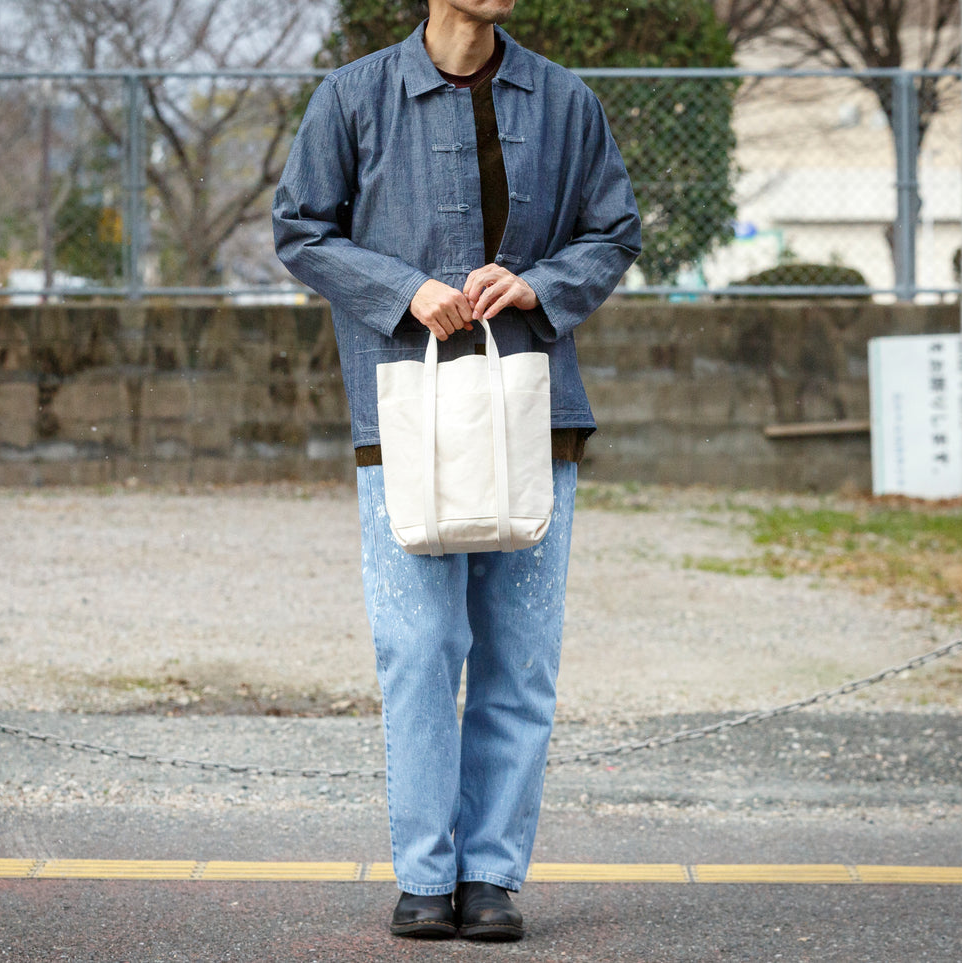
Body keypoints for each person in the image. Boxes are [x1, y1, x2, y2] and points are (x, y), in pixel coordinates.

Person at [272, 0, 642, 942]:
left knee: (521, 659)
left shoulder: (565, 100)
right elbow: (301, 229)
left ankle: (491, 876)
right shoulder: (354, 96)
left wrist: (539, 285)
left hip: (534, 413)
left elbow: (613, 231)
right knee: (420, 649)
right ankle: (425, 873)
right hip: (403, 413)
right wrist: (406, 290)